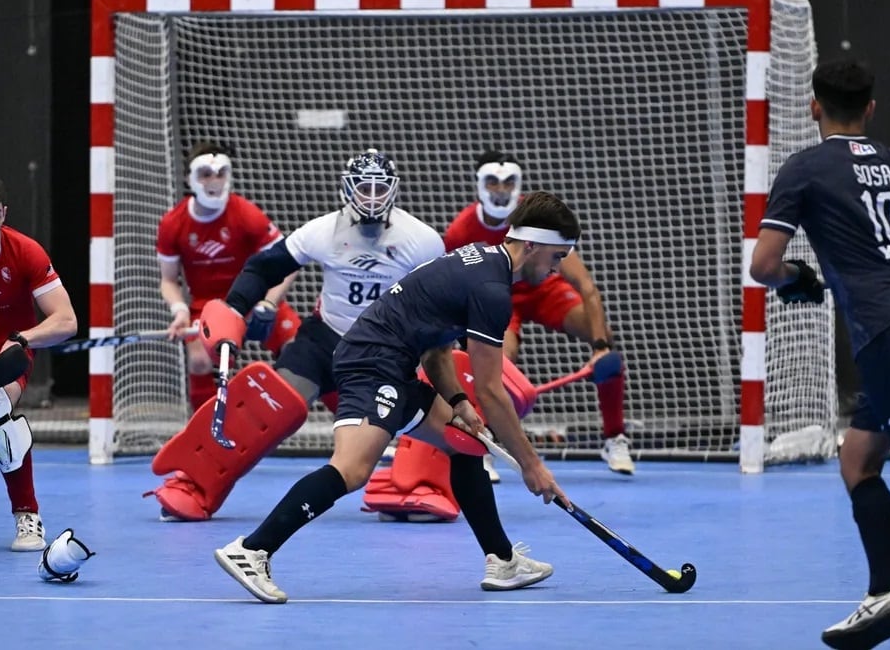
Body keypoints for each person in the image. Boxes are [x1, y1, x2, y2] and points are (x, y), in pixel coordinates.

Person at [210, 190, 576, 603]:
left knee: (467, 445)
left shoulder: (479, 259)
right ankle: (253, 550)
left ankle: (502, 560)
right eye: (556, 257)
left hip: (394, 363)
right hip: (372, 363)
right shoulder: (492, 289)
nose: (556, 269)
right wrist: (533, 467)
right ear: (531, 244)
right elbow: (492, 393)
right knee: (351, 470)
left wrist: (457, 402)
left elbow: (437, 349)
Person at [749, 59, 890, 650]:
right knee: (857, 457)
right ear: (870, 109)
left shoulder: (805, 169)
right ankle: (883, 596)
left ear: (814, 107)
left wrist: (799, 277)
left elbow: (763, 267)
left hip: (887, 337)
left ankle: (885, 594)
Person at [146, 148, 445, 521]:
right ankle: (194, 482)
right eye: (362, 187)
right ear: (346, 190)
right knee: (267, 406)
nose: (370, 197)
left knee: (430, 419)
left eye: (378, 188)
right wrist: (236, 309)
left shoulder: (423, 240)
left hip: (384, 351)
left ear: (393, 190)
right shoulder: (322, 231)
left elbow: (446, 298)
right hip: (326, 339)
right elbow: (263, 267)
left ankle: (416, 487)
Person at [443, 150, 634, 477]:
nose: (500, 191)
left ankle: (615, 437)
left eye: (508, 183)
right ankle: (483, 441)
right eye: (493, 182)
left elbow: (586, 285)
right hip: (497, 297)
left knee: (604, 340)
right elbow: (454, 294)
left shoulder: (537, 218)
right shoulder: (460, 232)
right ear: (479, 184)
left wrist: (601, 346)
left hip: (543, 288)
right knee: (498, 360)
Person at [0, 174, 78, 550]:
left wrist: (22, 339)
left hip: (5, 352)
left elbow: (66, 320)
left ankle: (27, 516)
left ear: (5, 213)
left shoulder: (25, 252)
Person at [156, 141, 300, 412]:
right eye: (206, 174)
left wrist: (268, 304)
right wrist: (179, 310)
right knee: (198, 360)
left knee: (300, 350)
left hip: (253, 299)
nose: (214, 181)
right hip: (208, 307)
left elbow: (288, 264)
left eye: (221, 173)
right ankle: (205, 433)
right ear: (190, 179)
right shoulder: (172, 223)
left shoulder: (247, 214)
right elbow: (168, 280)